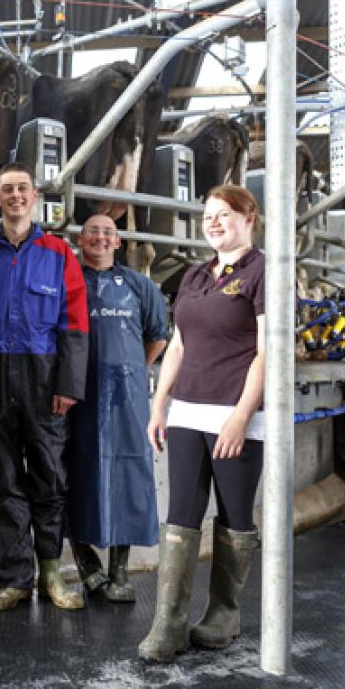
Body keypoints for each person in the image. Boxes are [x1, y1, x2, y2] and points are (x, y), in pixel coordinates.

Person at [138, 184, 265, 663]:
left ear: (248, 218)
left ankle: (224, 613)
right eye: (208, 216)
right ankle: (168, 624)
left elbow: (266, 352)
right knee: (181, 514)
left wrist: (240, 416)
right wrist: (159, 403)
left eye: (224, 214)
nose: (214, 222)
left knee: (235, 514)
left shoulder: (263, 271)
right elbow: (178, 345)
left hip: (237, 414)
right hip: (188, 412)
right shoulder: (194, 275)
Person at [0, 162, 89, 612]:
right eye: (7, 189)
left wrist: (68, 385)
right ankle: (16, 579)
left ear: (34, 197)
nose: (15, 196)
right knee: (5, 482)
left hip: (44, 379)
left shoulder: (59, 254)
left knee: (50, 478)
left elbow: (75, 324)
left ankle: (52, 574)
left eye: (22, 189)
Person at [65, 214, 168, 603]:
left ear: (119, 241)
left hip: (126, 397)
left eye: (108, 232)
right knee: (75, 470)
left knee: (128, 473)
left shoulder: (139, 286)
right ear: (80, 238)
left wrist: (131, 369)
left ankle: (119, 571)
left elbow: (158, 336)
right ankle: (86, 563)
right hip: (76, 393)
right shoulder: (66, 280)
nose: (101, 237)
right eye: (93, 230)